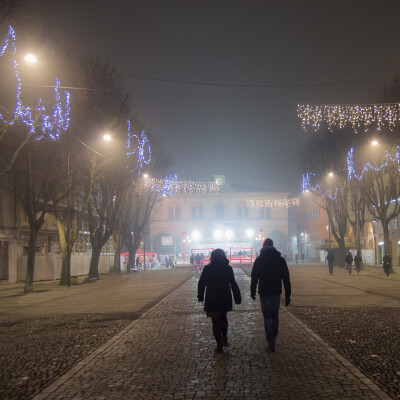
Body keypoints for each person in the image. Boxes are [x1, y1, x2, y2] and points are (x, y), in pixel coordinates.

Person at [251, 238, 291, 352]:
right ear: (273, 246)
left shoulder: (259, 260)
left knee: (267, 317)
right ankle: (274, 337)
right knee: (275, 316)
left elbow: (254, 277)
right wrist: (288, 295)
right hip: (276, 292)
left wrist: (252, 291)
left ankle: (270, 341)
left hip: (264, 292)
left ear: (263, 247)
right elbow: (286, 279)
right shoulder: (280, 260)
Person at [197, 249, 241, 354]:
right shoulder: (228, 268)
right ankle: (225, 337)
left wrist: (200, 296)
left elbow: (201, 283)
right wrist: (237, 297)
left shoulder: (207, 269)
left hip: (212, 298)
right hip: (224, 297)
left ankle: (219, 344)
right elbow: (233, 283)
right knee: (223, 318)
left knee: (215, 322)